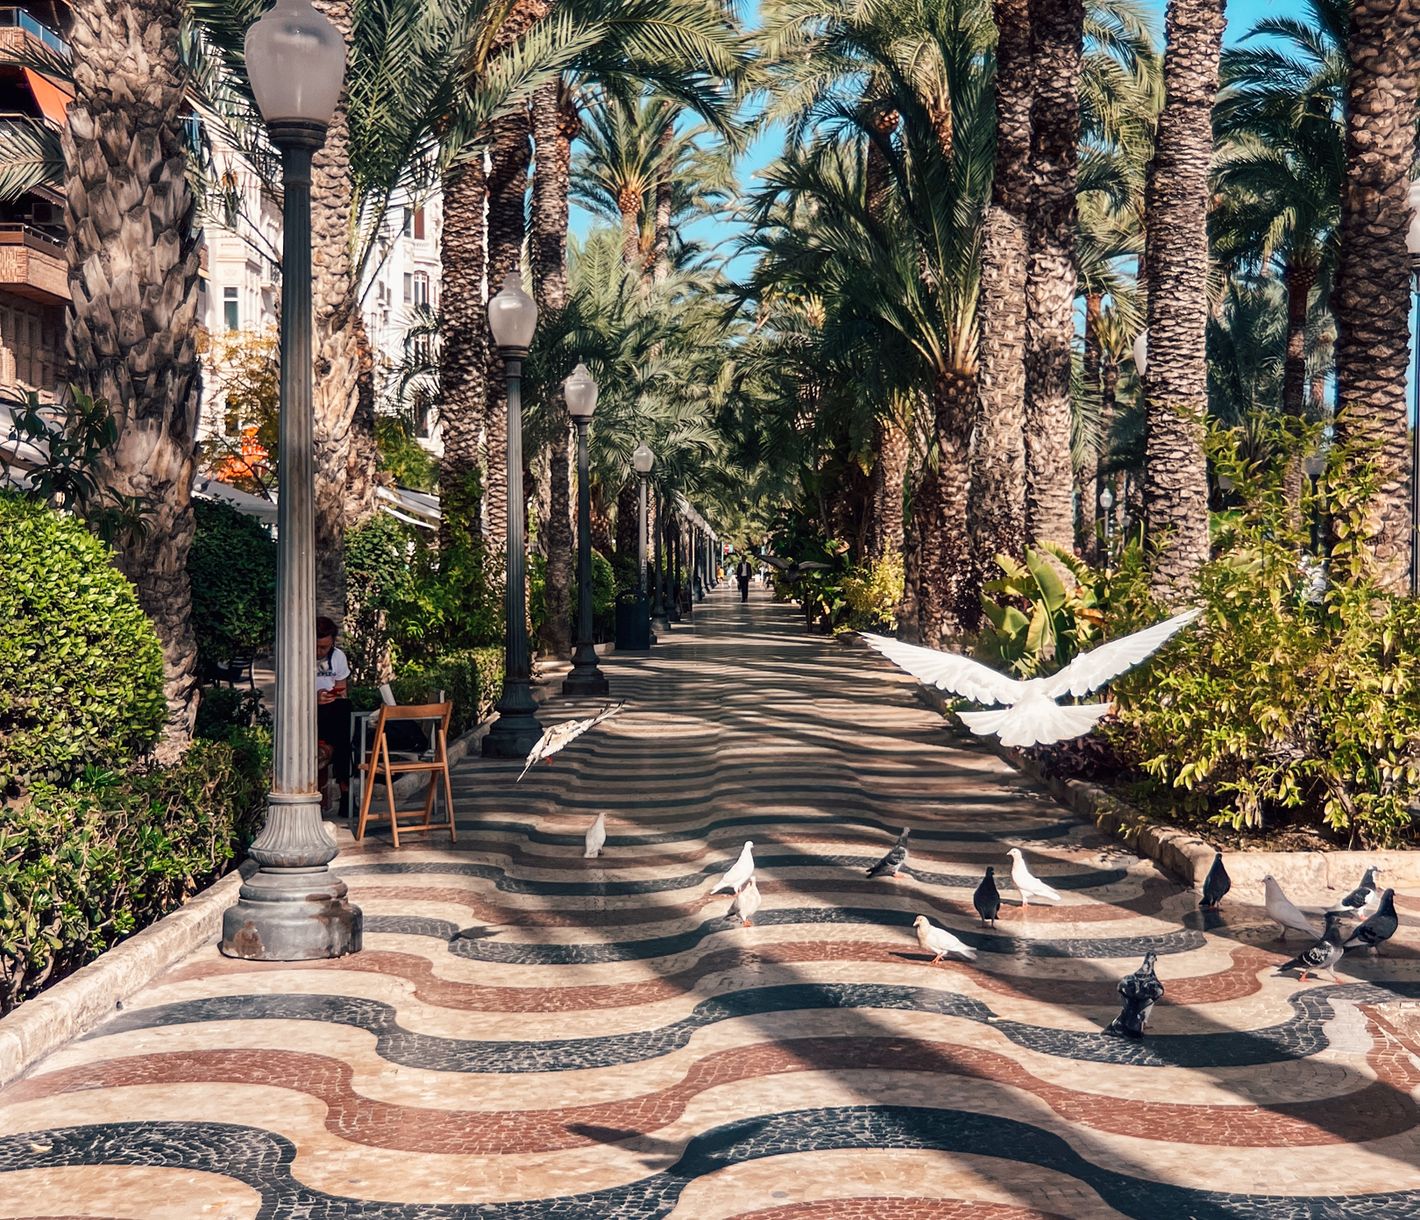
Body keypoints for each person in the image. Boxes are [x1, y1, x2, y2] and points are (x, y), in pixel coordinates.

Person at [315, 616, 352, 814]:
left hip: (332, 710)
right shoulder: (300, 657)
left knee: (343, 709)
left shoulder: (337, 657)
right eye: (318, 647)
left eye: (326, 647)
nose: (321, 652)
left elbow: (341, 687)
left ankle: (345, 791)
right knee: (343, 739)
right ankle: (345, 792)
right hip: (309, 711)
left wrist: (332, 695)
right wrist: (314, 698)